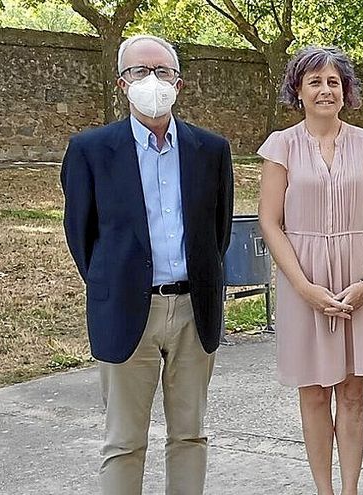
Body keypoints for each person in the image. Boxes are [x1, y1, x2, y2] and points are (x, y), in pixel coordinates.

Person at [61, 35, 234, 494]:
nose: (152, 81)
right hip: (126, 309)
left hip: (193, 312)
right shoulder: (91, 150)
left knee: (190, 435)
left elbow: (218, 233)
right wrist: (113, 283)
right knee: (123, 441)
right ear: (122, 83)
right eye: (141, 71)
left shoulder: (211, 150)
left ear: (179, 82)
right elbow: (83, 236)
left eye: (163, 71)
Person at [257, 45, 363, 495]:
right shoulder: (281, 146)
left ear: (346, 90)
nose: (325, 89)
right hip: (304, 281)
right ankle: (324, 490)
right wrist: (304, 288)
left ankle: (350, 489)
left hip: (359, 278)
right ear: (297, 89)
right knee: (314, 393)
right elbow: (269, 222)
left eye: (333, 81)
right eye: (314, 81)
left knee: (353, 393)